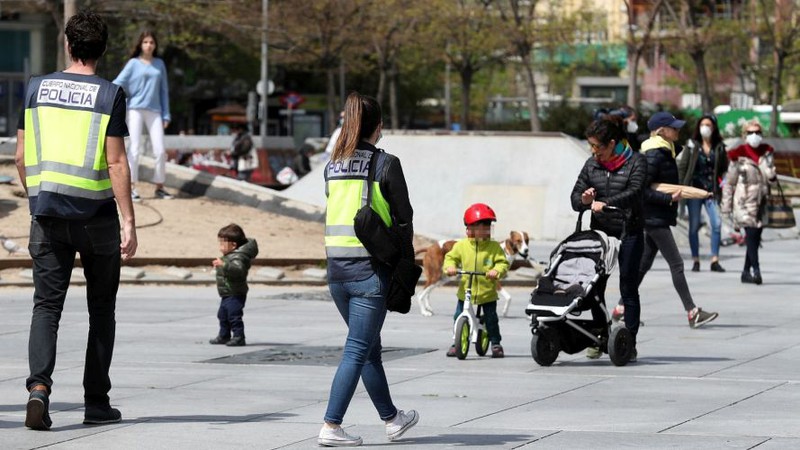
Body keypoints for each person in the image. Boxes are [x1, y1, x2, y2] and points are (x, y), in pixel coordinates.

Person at [14, 10, 137, 430]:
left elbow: (19, 156)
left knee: (46, 307)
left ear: (68, 44)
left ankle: (38, 390)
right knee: (101, 309)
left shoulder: (35, 88)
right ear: (102, 50)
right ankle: (96, 402)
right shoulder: (109, 94)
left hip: (46, 213)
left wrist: (38, 198)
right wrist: (129, 221)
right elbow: (116, 161)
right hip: (97, 217)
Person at [320, 92, 418, 446]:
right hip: (369, 272)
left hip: (336, 273)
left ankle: (392, 419)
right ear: (378, 126)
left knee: (368, 347)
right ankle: (331, 426)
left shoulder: (332, 165)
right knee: (357, 349)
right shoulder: (386, 164)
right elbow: (404, 218)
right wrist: (405, 264)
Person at [571, 117, 646, 361]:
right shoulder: (591, 165)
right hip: (601, 235)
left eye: (598, 147)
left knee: (628, 288)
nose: (594, 151)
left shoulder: (636, 161)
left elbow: (635, 192)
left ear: (612, 143)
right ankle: (600, 337)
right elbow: (574, 198)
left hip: (629, 231)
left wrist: (607, 203)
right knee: (594, 288)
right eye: (591, 146)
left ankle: (629, 342)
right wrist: (584, 200)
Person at [637, 112, 719, 328]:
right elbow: (641, 190)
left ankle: (620, 309)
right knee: (677, 264)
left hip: (656, 216)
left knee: (643, 264)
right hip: (654, 217)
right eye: (674, 127)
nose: (678, 130)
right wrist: (667, 198)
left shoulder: (666, 152)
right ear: (662, 131)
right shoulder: (655, 155)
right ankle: (692, 312)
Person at [443, 203, 510, 358]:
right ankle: (456, 342)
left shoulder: (494, 247)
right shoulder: (462, 246)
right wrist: (450, 267)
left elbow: (502, 262)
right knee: (458, 315)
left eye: (488, 227)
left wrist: (496, 270)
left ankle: (495, 343)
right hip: (466, 289)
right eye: (481, 227)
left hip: (487, 292)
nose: (485, 231)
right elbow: (450, 258)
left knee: (490, 318)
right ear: (470, 229)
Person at [113, 30, 173, 201]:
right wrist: (106, 93)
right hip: (135, 109)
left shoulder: (159, 64)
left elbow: (164, 91)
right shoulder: (133, 63)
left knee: (160, 150)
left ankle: (160, 186)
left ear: (155, 45)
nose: (148, 45)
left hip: (155, 111)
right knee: (134, 148)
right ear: (140, 44)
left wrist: (166, 115)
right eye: (145, 42)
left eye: (151, 42)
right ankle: (131, 186)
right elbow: (118, 82)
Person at [721, 119, 777, 285]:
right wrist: (726, 208)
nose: (754, 136)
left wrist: (770, 173)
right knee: (751, 235)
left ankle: (745, 272)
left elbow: (772, 180)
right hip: (743, 203)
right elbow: (729, 184)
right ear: (744, 135)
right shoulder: (736, 155)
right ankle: (756, 271)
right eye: (751, 132)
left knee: (754, 238)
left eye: (757, 132)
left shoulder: (767, 153)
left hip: (761, 203)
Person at [678, 114, 728, 272]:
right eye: (703, 125)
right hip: (694, 191)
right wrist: (680, 189)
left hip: (711, 191)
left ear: (714, 128)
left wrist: (724, 184)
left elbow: (724, 168)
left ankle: (715, 260)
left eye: (709, 125)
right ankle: (696, 260)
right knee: (693, 227)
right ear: (699, 127)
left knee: (717, 224)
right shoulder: (692, 145)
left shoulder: (719, 146)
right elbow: (683, 167)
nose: (706, 128)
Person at [208, 224, 258, 347]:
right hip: (227, 292)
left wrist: (224, 265)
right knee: (222, 314)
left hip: (236, 293)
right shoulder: (230, 256)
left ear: (233, 245)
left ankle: (239, 336)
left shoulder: (239, 257)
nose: (220, 247)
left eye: (222, 244)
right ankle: (224, 335)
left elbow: (238, 271)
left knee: (234, 315)